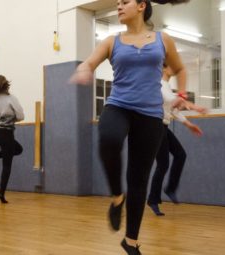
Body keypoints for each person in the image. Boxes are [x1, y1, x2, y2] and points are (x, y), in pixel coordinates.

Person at [70, 0, 190, 254]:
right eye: (117, 3)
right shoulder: (112, 41)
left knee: (139, 179)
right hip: (119, 106)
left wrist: (181, 94)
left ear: (141, 6)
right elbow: (89, 62)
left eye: (125, 2)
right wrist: (83, 69)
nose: (119, 6)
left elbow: (179, 68)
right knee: (109, 139)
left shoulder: (162, 39)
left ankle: (131, 241)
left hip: (150, 115)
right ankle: (116, 197)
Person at [147, 64, 207, 216]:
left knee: (180, 155)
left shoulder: (166, 86)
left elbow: (173, 109)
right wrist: (194, 106)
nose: (176, 69)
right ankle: (153, 200)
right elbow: (172, 100)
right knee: (163, 164)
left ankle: (170, 189)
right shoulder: (160, 84)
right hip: (155, 127)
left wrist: (189, 124)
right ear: (165, 69)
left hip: (163, 127)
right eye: (172, 66)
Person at [0, 75, 24, 204]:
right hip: (6, 133)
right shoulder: (10, 98)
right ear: (6, 85)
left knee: (18, 149)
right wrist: (10, 118)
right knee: (7, 164)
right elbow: (20, 116)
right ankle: (1, 194)